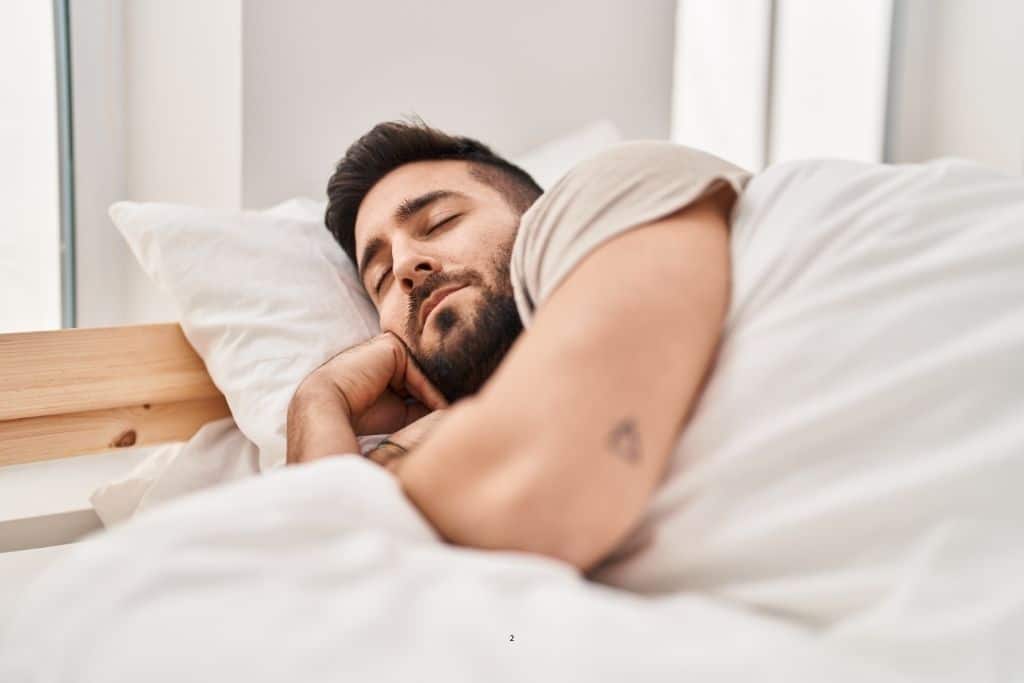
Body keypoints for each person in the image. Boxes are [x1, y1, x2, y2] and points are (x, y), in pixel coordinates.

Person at [285, 119, 749, 573]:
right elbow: (332, 583)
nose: (406, 264)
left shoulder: (603, 191)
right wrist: (318, 403)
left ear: (533, 214)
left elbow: (544, 500)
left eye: (440, 221)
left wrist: (390, 463)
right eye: (381, 279)